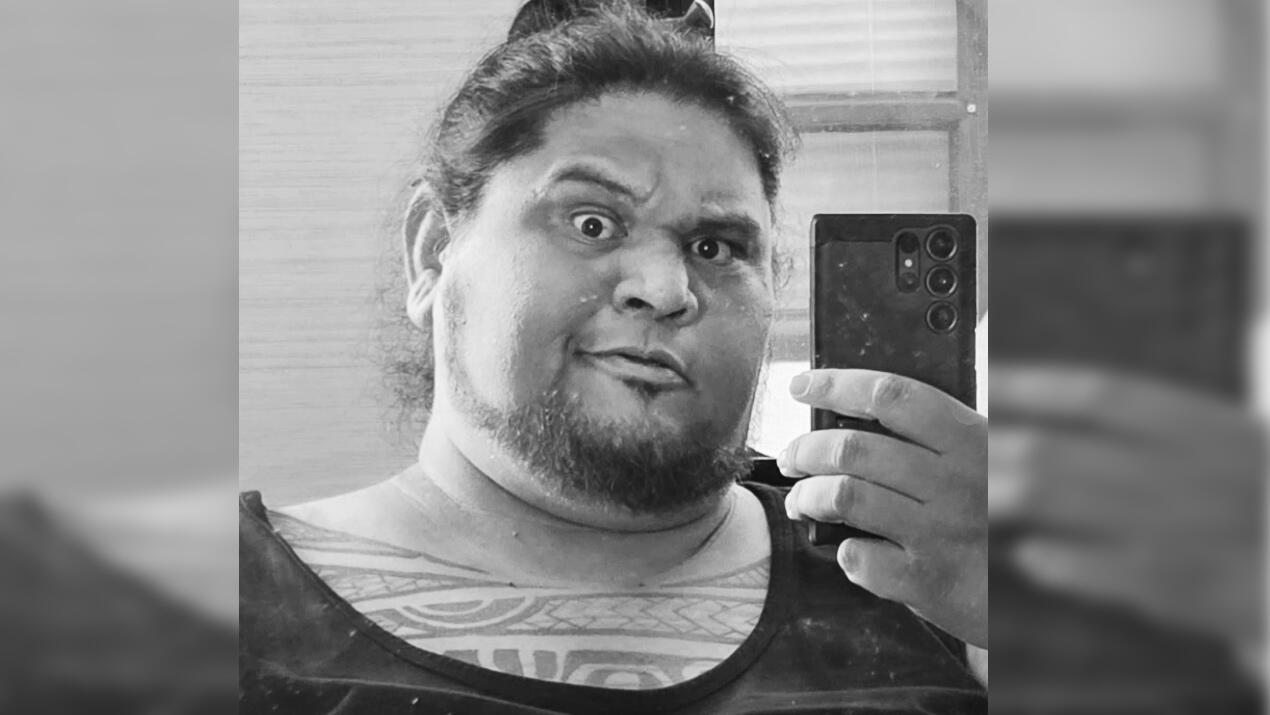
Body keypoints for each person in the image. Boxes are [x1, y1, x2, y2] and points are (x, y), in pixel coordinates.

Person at [239, 1, 988, 712]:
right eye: (592, 223)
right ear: (433, 251)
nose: (665, 289)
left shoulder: (928, 578)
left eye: (715, 247)